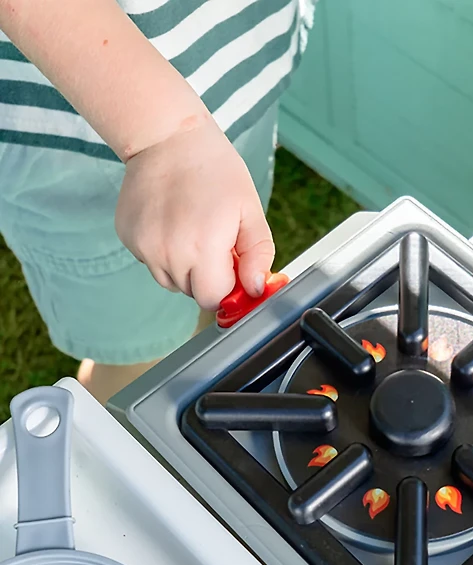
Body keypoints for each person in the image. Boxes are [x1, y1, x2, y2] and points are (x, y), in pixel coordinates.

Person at [0, 0, 314, 403]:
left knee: (215, 281)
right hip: (81, 127)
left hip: (233, 67)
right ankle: (127, 446)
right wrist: (163, 135)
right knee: (141, 362)